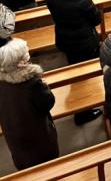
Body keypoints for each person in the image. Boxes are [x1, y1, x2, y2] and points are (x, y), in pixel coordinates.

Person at [46, 0, 102, 125]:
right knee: (87, 74)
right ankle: (84, 109)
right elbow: (96, 18)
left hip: (65, 38)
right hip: (84, 41)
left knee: (75, 71)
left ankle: (80, 107)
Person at [0, 37, 58, 170]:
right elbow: (48, 102)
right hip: (37, 136)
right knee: (46, 167)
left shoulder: (2, 81)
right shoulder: (31, 83)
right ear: (20, 62)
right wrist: (43, 85)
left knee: (25, 163)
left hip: (14, 134)